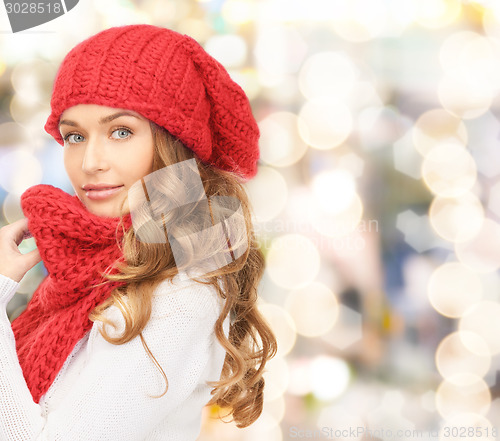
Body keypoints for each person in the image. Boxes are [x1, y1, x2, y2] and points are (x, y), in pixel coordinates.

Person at [0, 24, 277, 441]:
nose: (90, 161)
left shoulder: (183, 290)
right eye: (74, 135)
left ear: (173, 141)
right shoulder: (93, 266)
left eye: (121, 132)